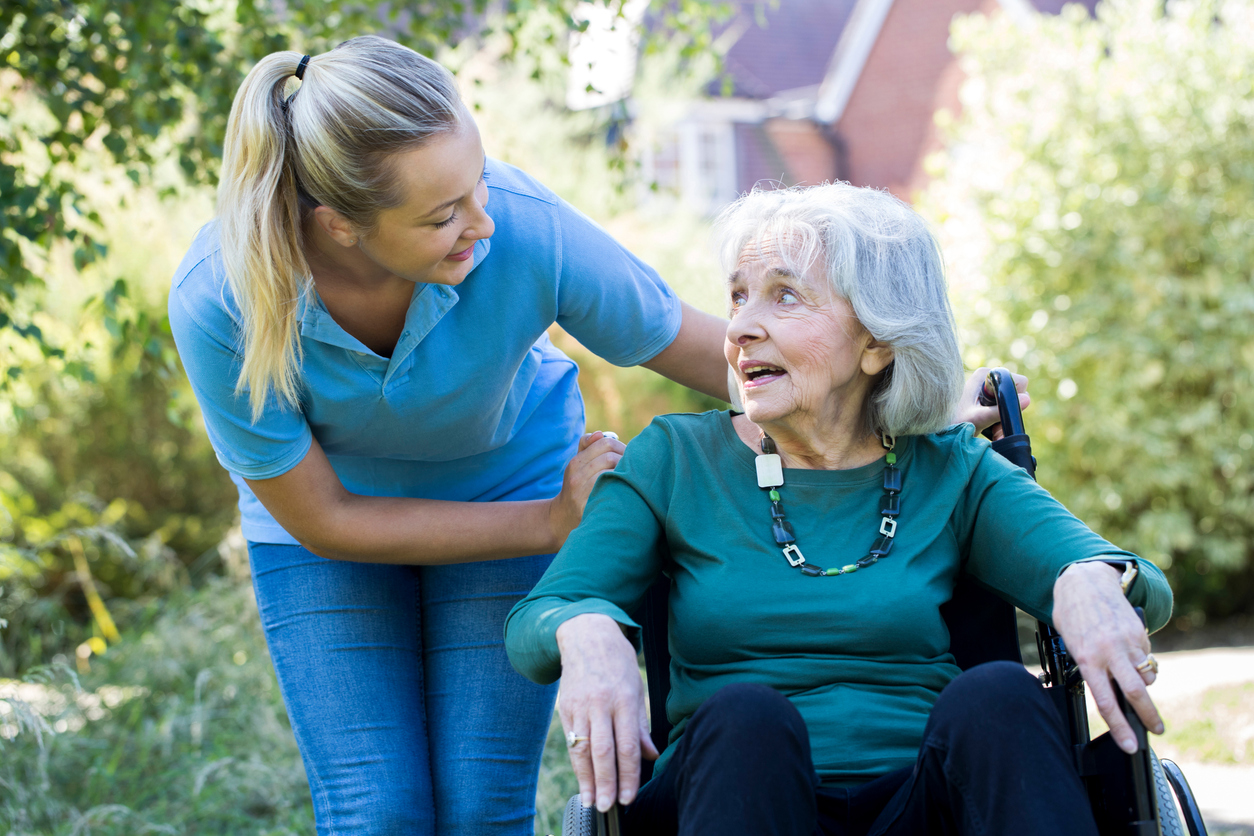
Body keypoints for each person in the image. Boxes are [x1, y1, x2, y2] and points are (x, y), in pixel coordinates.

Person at [171, 34, 1019, 835]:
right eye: (442, 215)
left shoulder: (526, 229)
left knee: (478, 806)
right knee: (378, 810)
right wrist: (549, 526)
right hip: (332, 536)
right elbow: (324, 516)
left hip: (506, 482)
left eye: (481, 185)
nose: (483, 222)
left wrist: (907, 394)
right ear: (340, 224)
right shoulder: (225, 297)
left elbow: (701, 349)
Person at [504, 182, 1172, 836]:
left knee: (1000, 696)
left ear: (877, 343)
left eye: (784, 296)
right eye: (737, 296)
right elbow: (537, 619)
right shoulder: (676, 461)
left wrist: (1089, 578)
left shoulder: (947, 465)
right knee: (745, 718)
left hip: (927, 801)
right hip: (734, 795)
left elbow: (1144, 585)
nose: (739, 327)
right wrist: (583, 624)